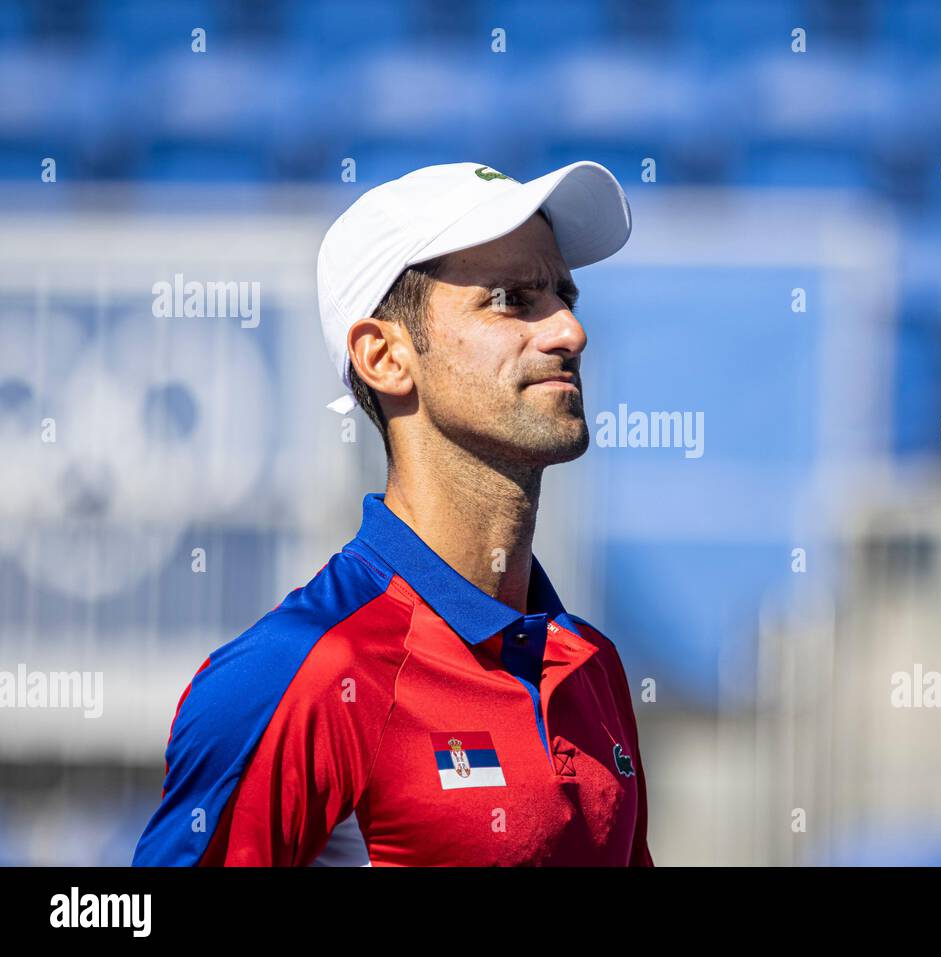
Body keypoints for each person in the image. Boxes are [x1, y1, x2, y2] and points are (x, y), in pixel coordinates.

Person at [132, 161, 651, 866]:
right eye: (513, 299)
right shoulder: (297, 671)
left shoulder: (592, 664)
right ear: (383, 356)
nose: (569, 331)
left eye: (564, 294)